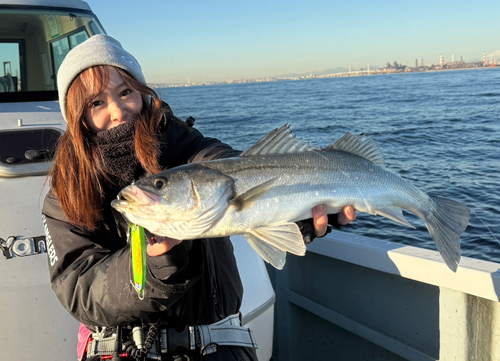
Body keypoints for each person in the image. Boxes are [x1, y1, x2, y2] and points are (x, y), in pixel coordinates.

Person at [41, 35, 356, 361]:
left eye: (125, 92)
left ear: (142, 94)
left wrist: (298, 210)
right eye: (96, 102)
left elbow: (230, 168)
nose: (118, 111)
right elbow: (79, 288)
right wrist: (157, 266)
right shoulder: (66, 192)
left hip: (219, 346)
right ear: (76, 115)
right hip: (122, 351)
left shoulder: (185, 146)